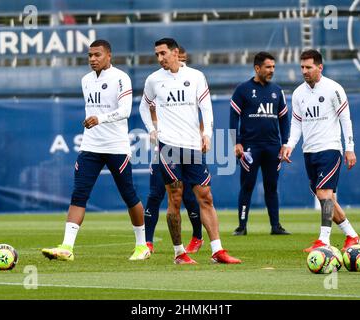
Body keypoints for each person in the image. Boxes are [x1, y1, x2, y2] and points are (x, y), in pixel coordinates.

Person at [42, 39, 150, 261]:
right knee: (79, 194)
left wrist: (99, 119)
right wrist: (95, 122)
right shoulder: (85, 80)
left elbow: (125, 111)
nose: (92, 59)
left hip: (116, 146)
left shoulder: (121, 78)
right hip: (90, 146)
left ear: (109, 56)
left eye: (97, 55)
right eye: (90, 55)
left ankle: (142, 246)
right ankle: (67, 247)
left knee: (129, 195)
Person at [139, 38, 241, 264]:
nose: (159, 58)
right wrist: (151, 130)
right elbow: (144, 106)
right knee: (175, 197)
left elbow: (206, 107)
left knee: (206, 197)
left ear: (175, 53)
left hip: (193, 146)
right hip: (168, 146)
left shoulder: (196, 76)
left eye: (163, 53)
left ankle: (217, 250)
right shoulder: (153, 80)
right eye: (156, 54)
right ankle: (179, 253)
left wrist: (207, 135)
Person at [281, 49, 360, 252]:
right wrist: (290, 145)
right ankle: (351, 235)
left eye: (309, 67)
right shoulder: (299, 93)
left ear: (320, 67)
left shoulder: (333, 89)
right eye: (302, 67)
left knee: (323, 193)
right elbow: (297, 123)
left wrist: (349, 148)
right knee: (326, 198)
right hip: (309, 151)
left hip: (330, 148)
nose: (305, 71)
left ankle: (323, 241)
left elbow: (346, 120)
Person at [145, 46, 204, 254]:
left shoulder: (192, 80)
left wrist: (202, 136)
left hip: (187, 147)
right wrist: (154, 130)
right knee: (155, 194)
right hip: (162, 147)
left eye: (184, 59)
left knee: (188, 196)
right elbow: (149, 108)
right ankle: (147, 242)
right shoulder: (157, 82)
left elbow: (200, 116)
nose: (180, 62)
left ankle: (197, 237)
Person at [229, 51, 291, 236]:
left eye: (273, 66)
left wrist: (285, 143)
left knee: (271, 187)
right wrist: (236, 143)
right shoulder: (243, 90)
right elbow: (234, 118)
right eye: (268, 67)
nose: (272, 70)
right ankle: (242, 226)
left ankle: (276, 226)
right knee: (247, 186)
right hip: (250, 148)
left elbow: (284, 119)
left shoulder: (277, 91)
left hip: (273, 147)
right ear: (257, 68)